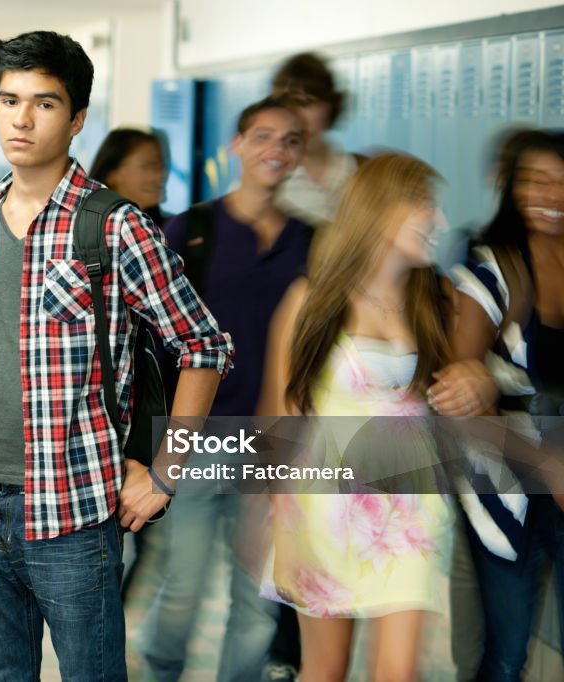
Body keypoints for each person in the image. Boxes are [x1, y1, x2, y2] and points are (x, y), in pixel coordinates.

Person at [0, 30, 233, 680]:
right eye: (9, 99)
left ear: (77, 118)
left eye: (44, 103)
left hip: (76, 510)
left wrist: (164, 473)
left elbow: (205, 345)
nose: (21, 118)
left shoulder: (113, 225)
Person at [260, 153, 454, 680]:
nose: (440, 222)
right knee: (326, 669)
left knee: (398, 672)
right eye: (426, 206)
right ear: (382, 209)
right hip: (327, 513)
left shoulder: (432, 299)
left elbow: (459, 386)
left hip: (412, 512)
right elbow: (283, 419)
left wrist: (476, 383)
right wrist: (282, 527)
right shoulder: (312, 300)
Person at [140, 95, 312, 682]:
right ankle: (162, 670)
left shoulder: (311, 241)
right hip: (198, 438)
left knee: (258, 597)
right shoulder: (193, 230)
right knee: (183, 583)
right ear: (235, 146)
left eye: (290, 141)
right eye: (262, 136)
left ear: (300, 155)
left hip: (274, 444)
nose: (276, 150)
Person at [434, 129, 564, 680]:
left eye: (562, 181)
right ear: (511, 186)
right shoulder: (491, 270)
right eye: (535, 179)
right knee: (508, 653)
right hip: (507, 484)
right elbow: (459, 400)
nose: (550, 194)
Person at [88, 126, 170, 602]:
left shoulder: (170, 231)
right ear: (115, 170)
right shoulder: (100, 234)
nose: (159, 176)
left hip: (174, 419)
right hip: (120, 423)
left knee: (164, 550)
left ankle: (126, 639)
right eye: (148, 165)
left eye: (161, 165)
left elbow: (199, 341)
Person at [271, 52, 360, 230]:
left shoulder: (360, 171)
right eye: (289, 106)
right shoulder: (266, 179)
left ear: (331, 107)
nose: (299, 119)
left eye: (308, 103)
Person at [89, 127, 169, 226]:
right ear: (111, 175)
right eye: (149, 166)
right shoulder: (85, 232)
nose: (162, 175)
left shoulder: (173, 231)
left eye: (161, 165)